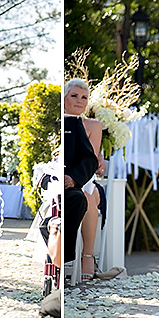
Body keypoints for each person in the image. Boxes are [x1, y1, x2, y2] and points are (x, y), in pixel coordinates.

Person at [63, 78, 105, 280]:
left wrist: (73, 178)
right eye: (74, 96)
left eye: (84, 97)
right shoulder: (60, 122)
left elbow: (91, 158)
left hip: (85, 177)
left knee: (87, 198)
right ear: (64, 97)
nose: (79, 100)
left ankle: (87, 255)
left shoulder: (93, 125)